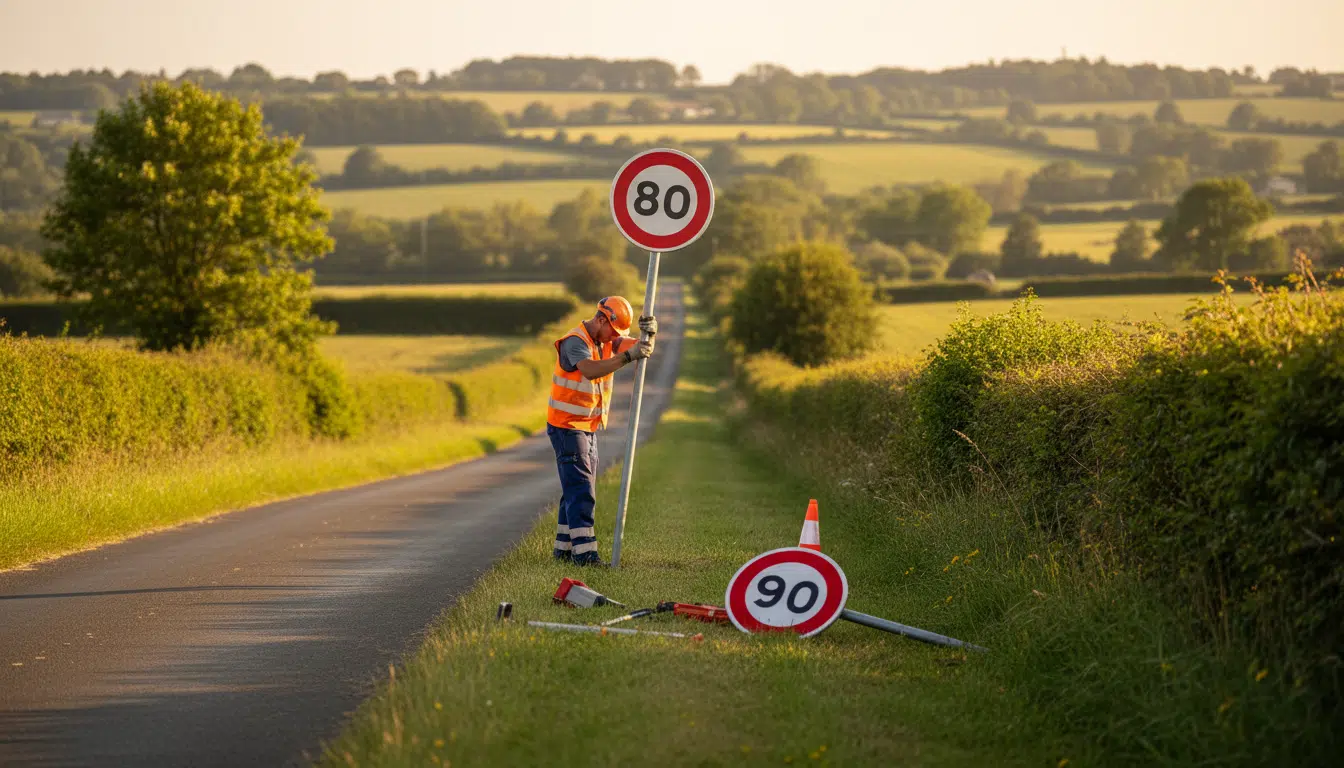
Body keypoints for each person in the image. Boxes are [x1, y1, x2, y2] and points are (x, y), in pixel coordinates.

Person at [547, 296, 657, 566]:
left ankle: (563, 549)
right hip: (568, 426)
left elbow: (643, 346)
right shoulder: (576, 341)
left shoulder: (604, 339)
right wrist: (628, 356)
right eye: (614, 331)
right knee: (582, 490)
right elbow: (591, 371)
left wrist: (651, 331)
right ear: (600, 319)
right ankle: (585, 556)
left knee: (576, 487)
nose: (615, 338)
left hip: (585, 427)